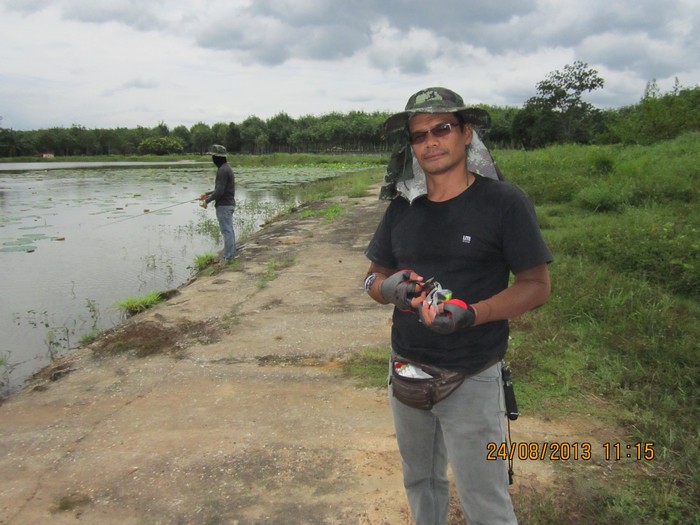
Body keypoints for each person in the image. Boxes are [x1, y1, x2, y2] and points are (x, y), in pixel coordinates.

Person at [363, 87, 552, 525]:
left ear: (466, 134)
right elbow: (372, 277)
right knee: (420, 482)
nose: (430, 141)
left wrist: (472, 313)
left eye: (441, 129)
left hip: (473, 374)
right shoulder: (401, 209)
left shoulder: (504, 202)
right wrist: (392, 289)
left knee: (484, 499)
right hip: (406, 370)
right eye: (418, 135)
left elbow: (536, 285)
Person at [199, 144, 236, 263]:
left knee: (227, 231)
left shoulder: (222, 170)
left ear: (217, 158)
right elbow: (221, 189)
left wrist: (206, 201)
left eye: (213, 157)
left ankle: (228, 257)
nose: (212, 159)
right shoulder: (226, 168)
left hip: (224, 205)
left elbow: (220, 191)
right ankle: (230, 255)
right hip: (228, 204)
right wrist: (207, 193)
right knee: (229, 230)